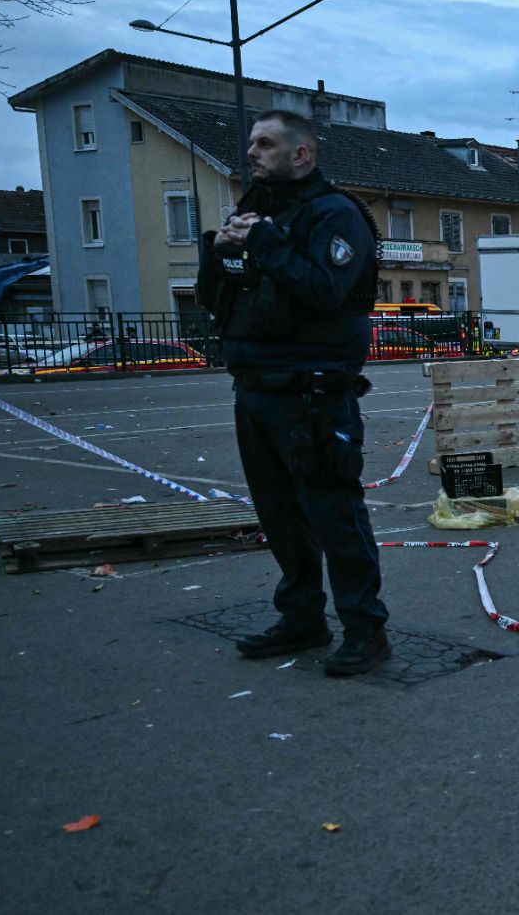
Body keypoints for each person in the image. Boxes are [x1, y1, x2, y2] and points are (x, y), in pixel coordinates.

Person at [197, 108, 391, 677]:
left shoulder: (336, 214)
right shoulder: (255, 212)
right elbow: (216, 297)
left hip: (313, 392)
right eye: (251, 144)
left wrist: (266, 242)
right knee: (279, 516)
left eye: (265, 144)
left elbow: (325, 289)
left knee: (334, 514)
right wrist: (224, 248)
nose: (251, 154)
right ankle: (302, 616)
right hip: (255, 388)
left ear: (300, 154)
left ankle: (365, 630)